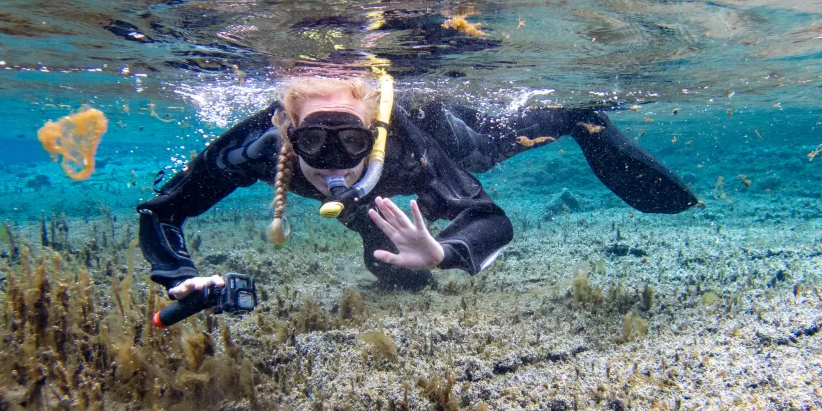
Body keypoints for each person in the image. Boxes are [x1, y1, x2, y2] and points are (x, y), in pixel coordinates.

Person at [137, 76, 697, 298]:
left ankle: (581, 120)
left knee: (499, 141)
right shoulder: (258, 146)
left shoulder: (411, 146)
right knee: (394, 275)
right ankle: (382, 238)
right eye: (314, 142)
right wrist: (180, 276)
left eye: (350, 142)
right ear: (288, 133)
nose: (335, 162)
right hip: (378, 195)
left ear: (374, 134)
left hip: (458, 135)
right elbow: (162, 212)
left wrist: (445, 251)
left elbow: (490, 217)